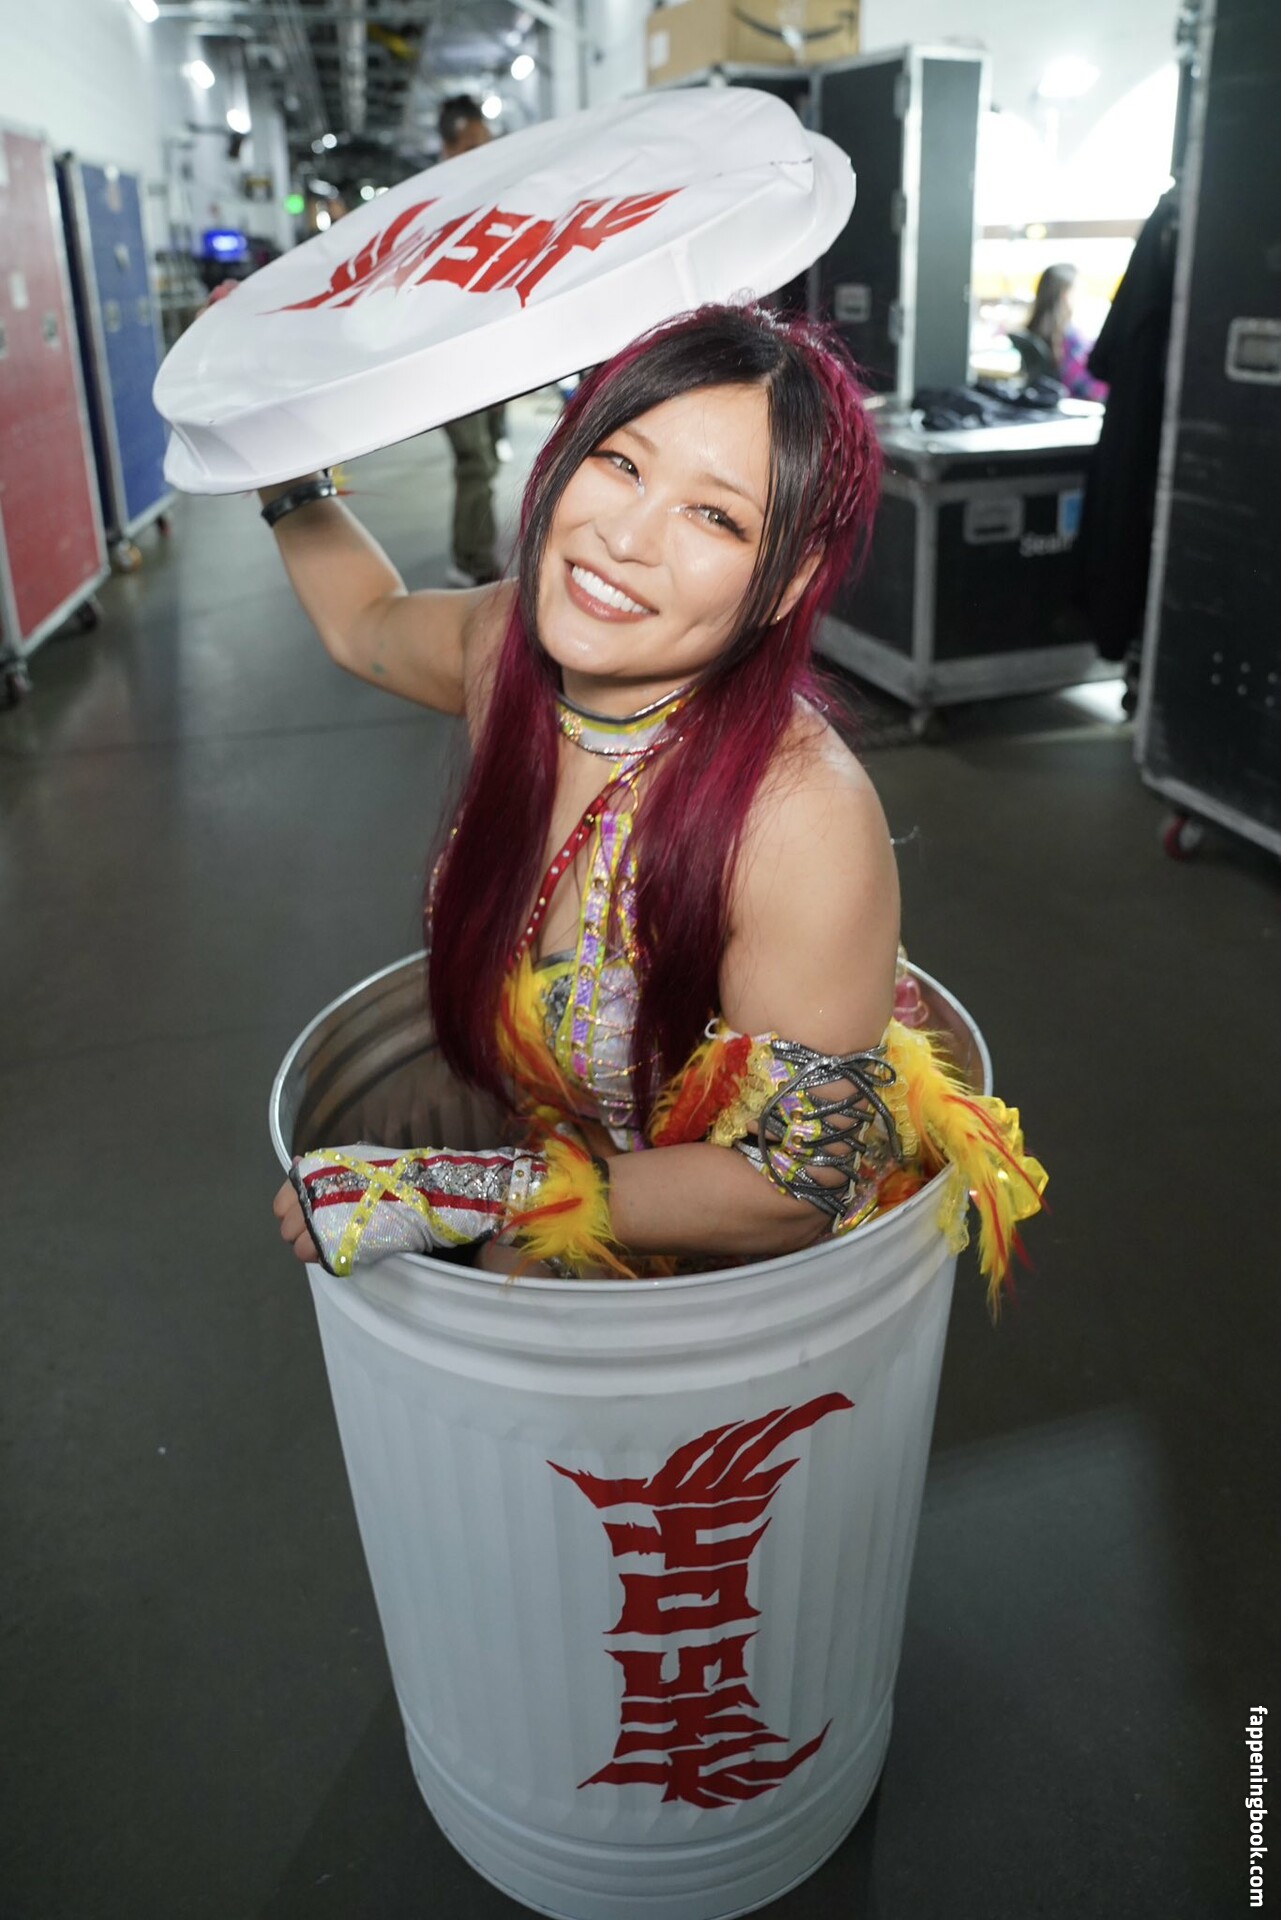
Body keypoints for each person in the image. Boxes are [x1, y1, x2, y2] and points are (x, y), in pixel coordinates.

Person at [263, 303, 1045, 1299]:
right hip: (560, 1179)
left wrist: (457, 1189)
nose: (624, 538)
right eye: (621, 462)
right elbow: (365, 621)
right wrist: (276, 458)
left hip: (736, 1296)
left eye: (715, 516)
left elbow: (799, 1184)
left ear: (786, 581)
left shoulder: (797, 816)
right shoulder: (503, 648)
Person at [436, 95, 509, 583]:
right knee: (475, 460)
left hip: (492, 351)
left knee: (489, 454)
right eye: (469, 147)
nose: (481, 154)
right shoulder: (431, 208)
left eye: (485, 144)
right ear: (447, 149)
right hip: (448, 357)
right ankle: (472, 562)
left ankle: (472, 549)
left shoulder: (492, 200)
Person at [1025, 262, 1108, 402]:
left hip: (1043, 404)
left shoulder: (1031, 332)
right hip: (1073, 406)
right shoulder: (1069, 339)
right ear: (1065, 294)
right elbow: (1089, 389)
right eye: (1079, 290)